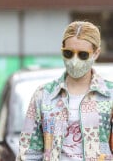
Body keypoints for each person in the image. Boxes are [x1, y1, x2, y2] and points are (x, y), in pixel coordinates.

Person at [17, 20, 113, 161]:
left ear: (96, 53)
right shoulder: (43, 95)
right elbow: (28, 153)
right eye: (68, 53)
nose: (74, 60)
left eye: (83, 55)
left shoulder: (110, 95)